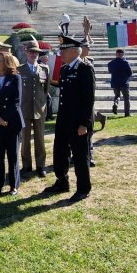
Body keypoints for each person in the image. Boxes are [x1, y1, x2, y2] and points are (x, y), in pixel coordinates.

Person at [45, 35, 95, 203]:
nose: (61, 53)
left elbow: (88, 99)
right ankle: (62, 181)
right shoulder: (65, 69)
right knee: (60, 152)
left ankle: (83, 188)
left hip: (78, 121)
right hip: (64, 119)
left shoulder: (85, 69)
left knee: (80, 155)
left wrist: (84, 124)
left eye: (64, 50)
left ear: (74, 51)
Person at [0, 52, 24, 195]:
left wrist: (5, 118)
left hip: (11, 122)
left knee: (12, 155)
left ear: (7, 62)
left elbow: (16, 102)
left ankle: (14, 186)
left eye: (0, 60)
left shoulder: (15, 78)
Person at [18, 38, 49, 177]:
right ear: (26, 52)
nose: (33, 54)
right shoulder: (20, 70)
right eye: (31, 51)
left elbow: (45, 90)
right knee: (25, 139)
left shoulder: (44, 69)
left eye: (36, 52)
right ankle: (26, 165)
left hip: (39, 109)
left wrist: (42, 105)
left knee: (40, 139)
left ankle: (41, 166)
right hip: (24, 109)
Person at [108, 49, 133, 116]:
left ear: (116, 54)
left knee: (117, 96)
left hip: (115, 82)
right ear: (122, 54)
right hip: (124, 82)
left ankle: (115, 103)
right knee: (126, 98)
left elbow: (110, 71)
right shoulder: (125, 63)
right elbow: (130, 73)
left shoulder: (110, 63)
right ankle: (127, 113)